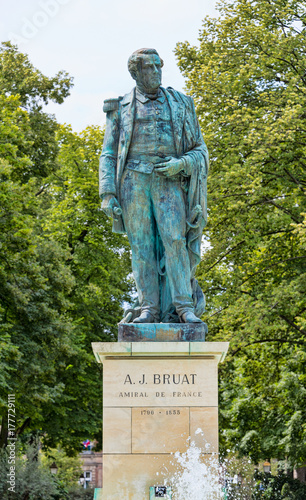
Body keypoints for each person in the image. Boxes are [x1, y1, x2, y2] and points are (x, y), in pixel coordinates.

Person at [99, 48, 208, 324]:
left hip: (168, 180)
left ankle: (184, 307)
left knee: (175, 242)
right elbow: (109, 153)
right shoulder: (120, 107)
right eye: (150, 67)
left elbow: (200, 149)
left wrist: (180, 164)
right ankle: (149, 308)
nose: (157, 72)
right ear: (135, 72)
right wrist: (107, 193)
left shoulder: (181, 104)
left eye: (159, 66)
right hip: (133, 183)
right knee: (141, 247)